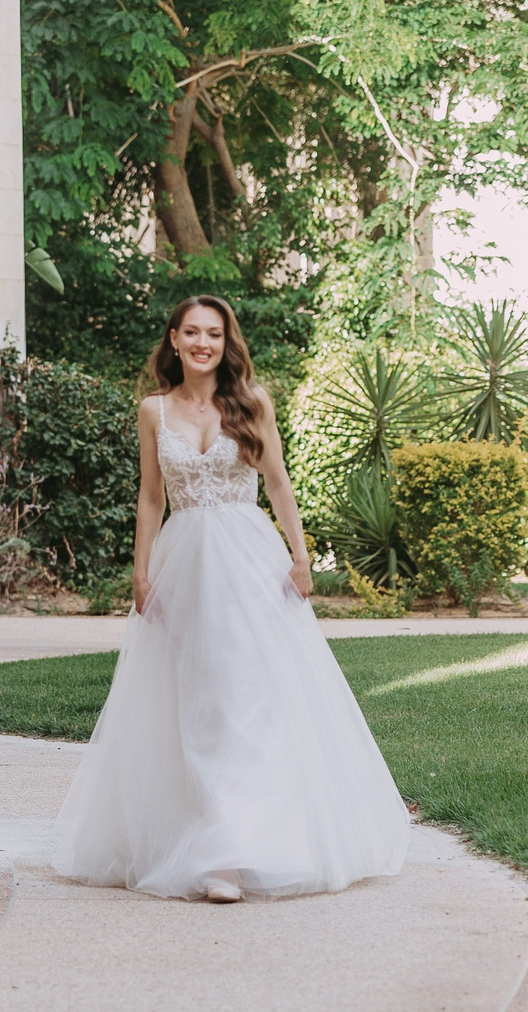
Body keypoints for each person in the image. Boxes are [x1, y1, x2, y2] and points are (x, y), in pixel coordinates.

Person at [53, 295, 410, 902]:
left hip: (249, 561)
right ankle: (201, 836)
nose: (202, 343)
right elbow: (149, 498)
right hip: (183, 564)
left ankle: (234, 854)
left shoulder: (252, 402)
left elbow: (277, 483)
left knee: (249, 698)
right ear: (172, 340)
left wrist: (300, 555)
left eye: (213, 333)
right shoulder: (153, 411)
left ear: (226, 341)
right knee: (195, 699)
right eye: (191, 332)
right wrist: (140, 573)